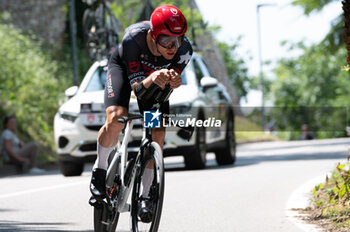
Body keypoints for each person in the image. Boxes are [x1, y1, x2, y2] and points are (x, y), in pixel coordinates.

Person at [89, 4, 193, 222]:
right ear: (154, 35)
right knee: (117, 116)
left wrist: (173, 81)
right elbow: (138, 90)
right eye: (167, 41)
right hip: (124, 70)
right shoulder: (133, 39)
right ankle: (99, 171)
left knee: (157, 131)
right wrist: (153, 76)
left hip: (154, 84)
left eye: (178, 39)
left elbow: (158, 93)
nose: (173, 47)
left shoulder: (184, 51)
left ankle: (146, 195)